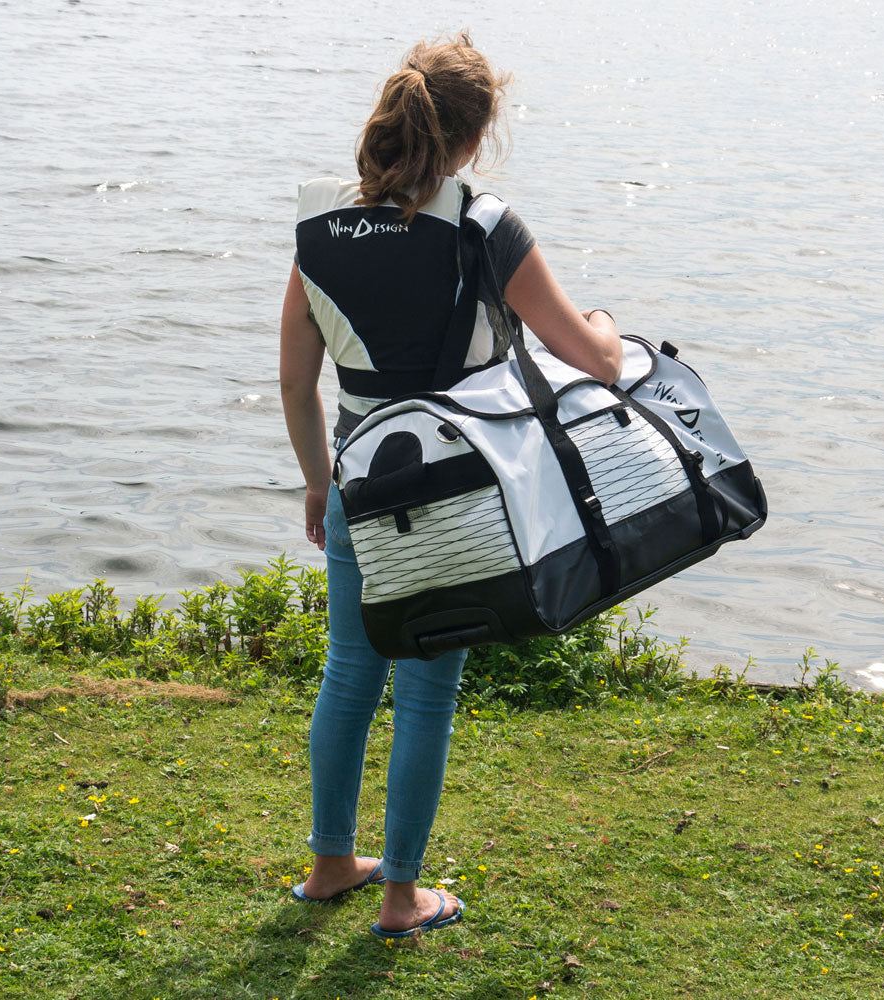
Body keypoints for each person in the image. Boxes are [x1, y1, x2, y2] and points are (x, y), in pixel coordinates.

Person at [280, 33, 622, 938]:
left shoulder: (318, 225)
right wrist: (604, 323)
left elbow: (294, 380)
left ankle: (329, 865)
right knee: (426, 695)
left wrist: (316, 483)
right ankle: (401, 896)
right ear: (472, 139)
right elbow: (592, 358)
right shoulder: (483, 224)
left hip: (355, 485)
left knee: (348, 675)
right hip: (451, 502)